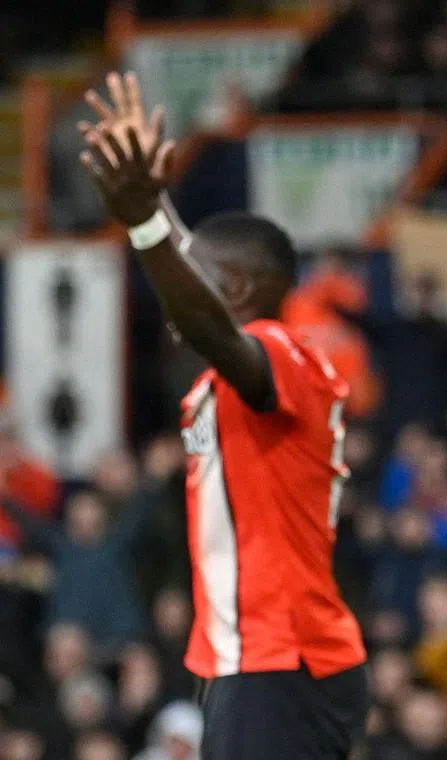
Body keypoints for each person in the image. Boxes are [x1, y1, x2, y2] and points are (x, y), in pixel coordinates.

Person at [77, 72, 368, 759]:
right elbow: (204, 285)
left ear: (237, 291)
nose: (171, 295)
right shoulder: (242, 358)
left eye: (197, 278)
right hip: (258, 656)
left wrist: (144, 223)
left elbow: (206, 318)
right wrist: (152, 202)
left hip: (284, 655)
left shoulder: (282, 352)